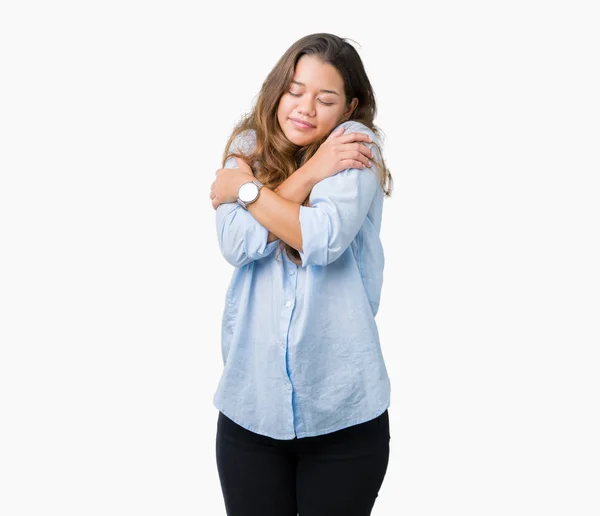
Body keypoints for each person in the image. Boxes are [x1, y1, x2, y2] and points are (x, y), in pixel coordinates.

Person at [209, 33, 394, 516]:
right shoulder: (248, 145)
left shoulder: (355, 147)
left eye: (325, 98)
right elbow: (237, 243)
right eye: (294, 90)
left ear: (350, 106)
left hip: (342, 414)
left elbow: (323, 239)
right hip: (251, 410)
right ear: (278, 89)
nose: (305, 107)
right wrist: (306, 176)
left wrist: (246, 190)